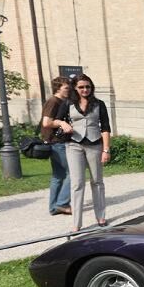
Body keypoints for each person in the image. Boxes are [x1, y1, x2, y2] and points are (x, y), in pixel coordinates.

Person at [64, 74, 111, 232]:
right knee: (77, 183)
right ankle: (76, 223)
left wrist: (106, 149)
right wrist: (63, 123)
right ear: (75, 88)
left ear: (92, 88)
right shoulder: (68, 103)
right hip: (74, 145)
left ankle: (101, 216)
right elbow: (54, 120)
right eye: (81, 87)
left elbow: (105, 128)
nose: (85, 90)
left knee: (97, 181)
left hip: (94, 144)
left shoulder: (99, 104)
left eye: (88, 87)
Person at [40, 76, 72, 216]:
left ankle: (54, 207)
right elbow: (46, 122)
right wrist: (61, 123)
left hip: (55, 142)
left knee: (58, 175)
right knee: (73, 173)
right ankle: (62, 203)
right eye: (66, 87)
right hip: (57, 142)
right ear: (58, 88)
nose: (69, 90)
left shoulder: (61, 101)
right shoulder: (53, 101)